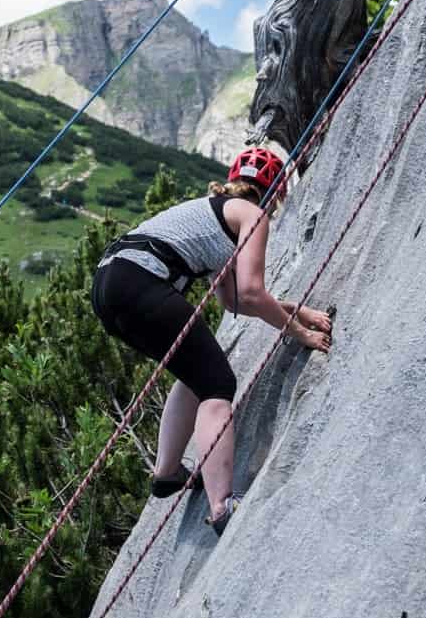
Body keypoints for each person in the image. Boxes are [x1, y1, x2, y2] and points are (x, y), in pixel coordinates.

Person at [90, 147, 333, 536]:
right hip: (139, 281)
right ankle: (222, 504)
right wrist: (301, 334)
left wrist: (298, 311)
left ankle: (168, 473)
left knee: (194, 373)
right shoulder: (252, 215)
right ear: (273, 193)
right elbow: (252, 294)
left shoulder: (215, 212)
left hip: (109, 285)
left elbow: (233, 299)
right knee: (218, 385)